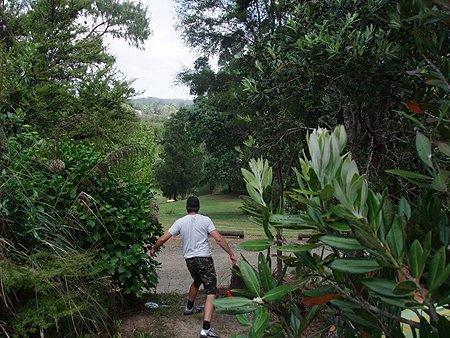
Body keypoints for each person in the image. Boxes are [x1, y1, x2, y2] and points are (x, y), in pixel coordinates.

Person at [149, 196, 237, 338]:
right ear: (198, 207)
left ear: (187, 208)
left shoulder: (180, 222)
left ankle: (190, 308)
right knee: (211, 291)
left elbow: (163, 238)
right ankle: (206, 329)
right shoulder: (205, 220)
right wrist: (231, 254)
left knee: (197, 280)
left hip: (190, 260)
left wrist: (153, 248)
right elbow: (218, 239)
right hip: (204, 259)